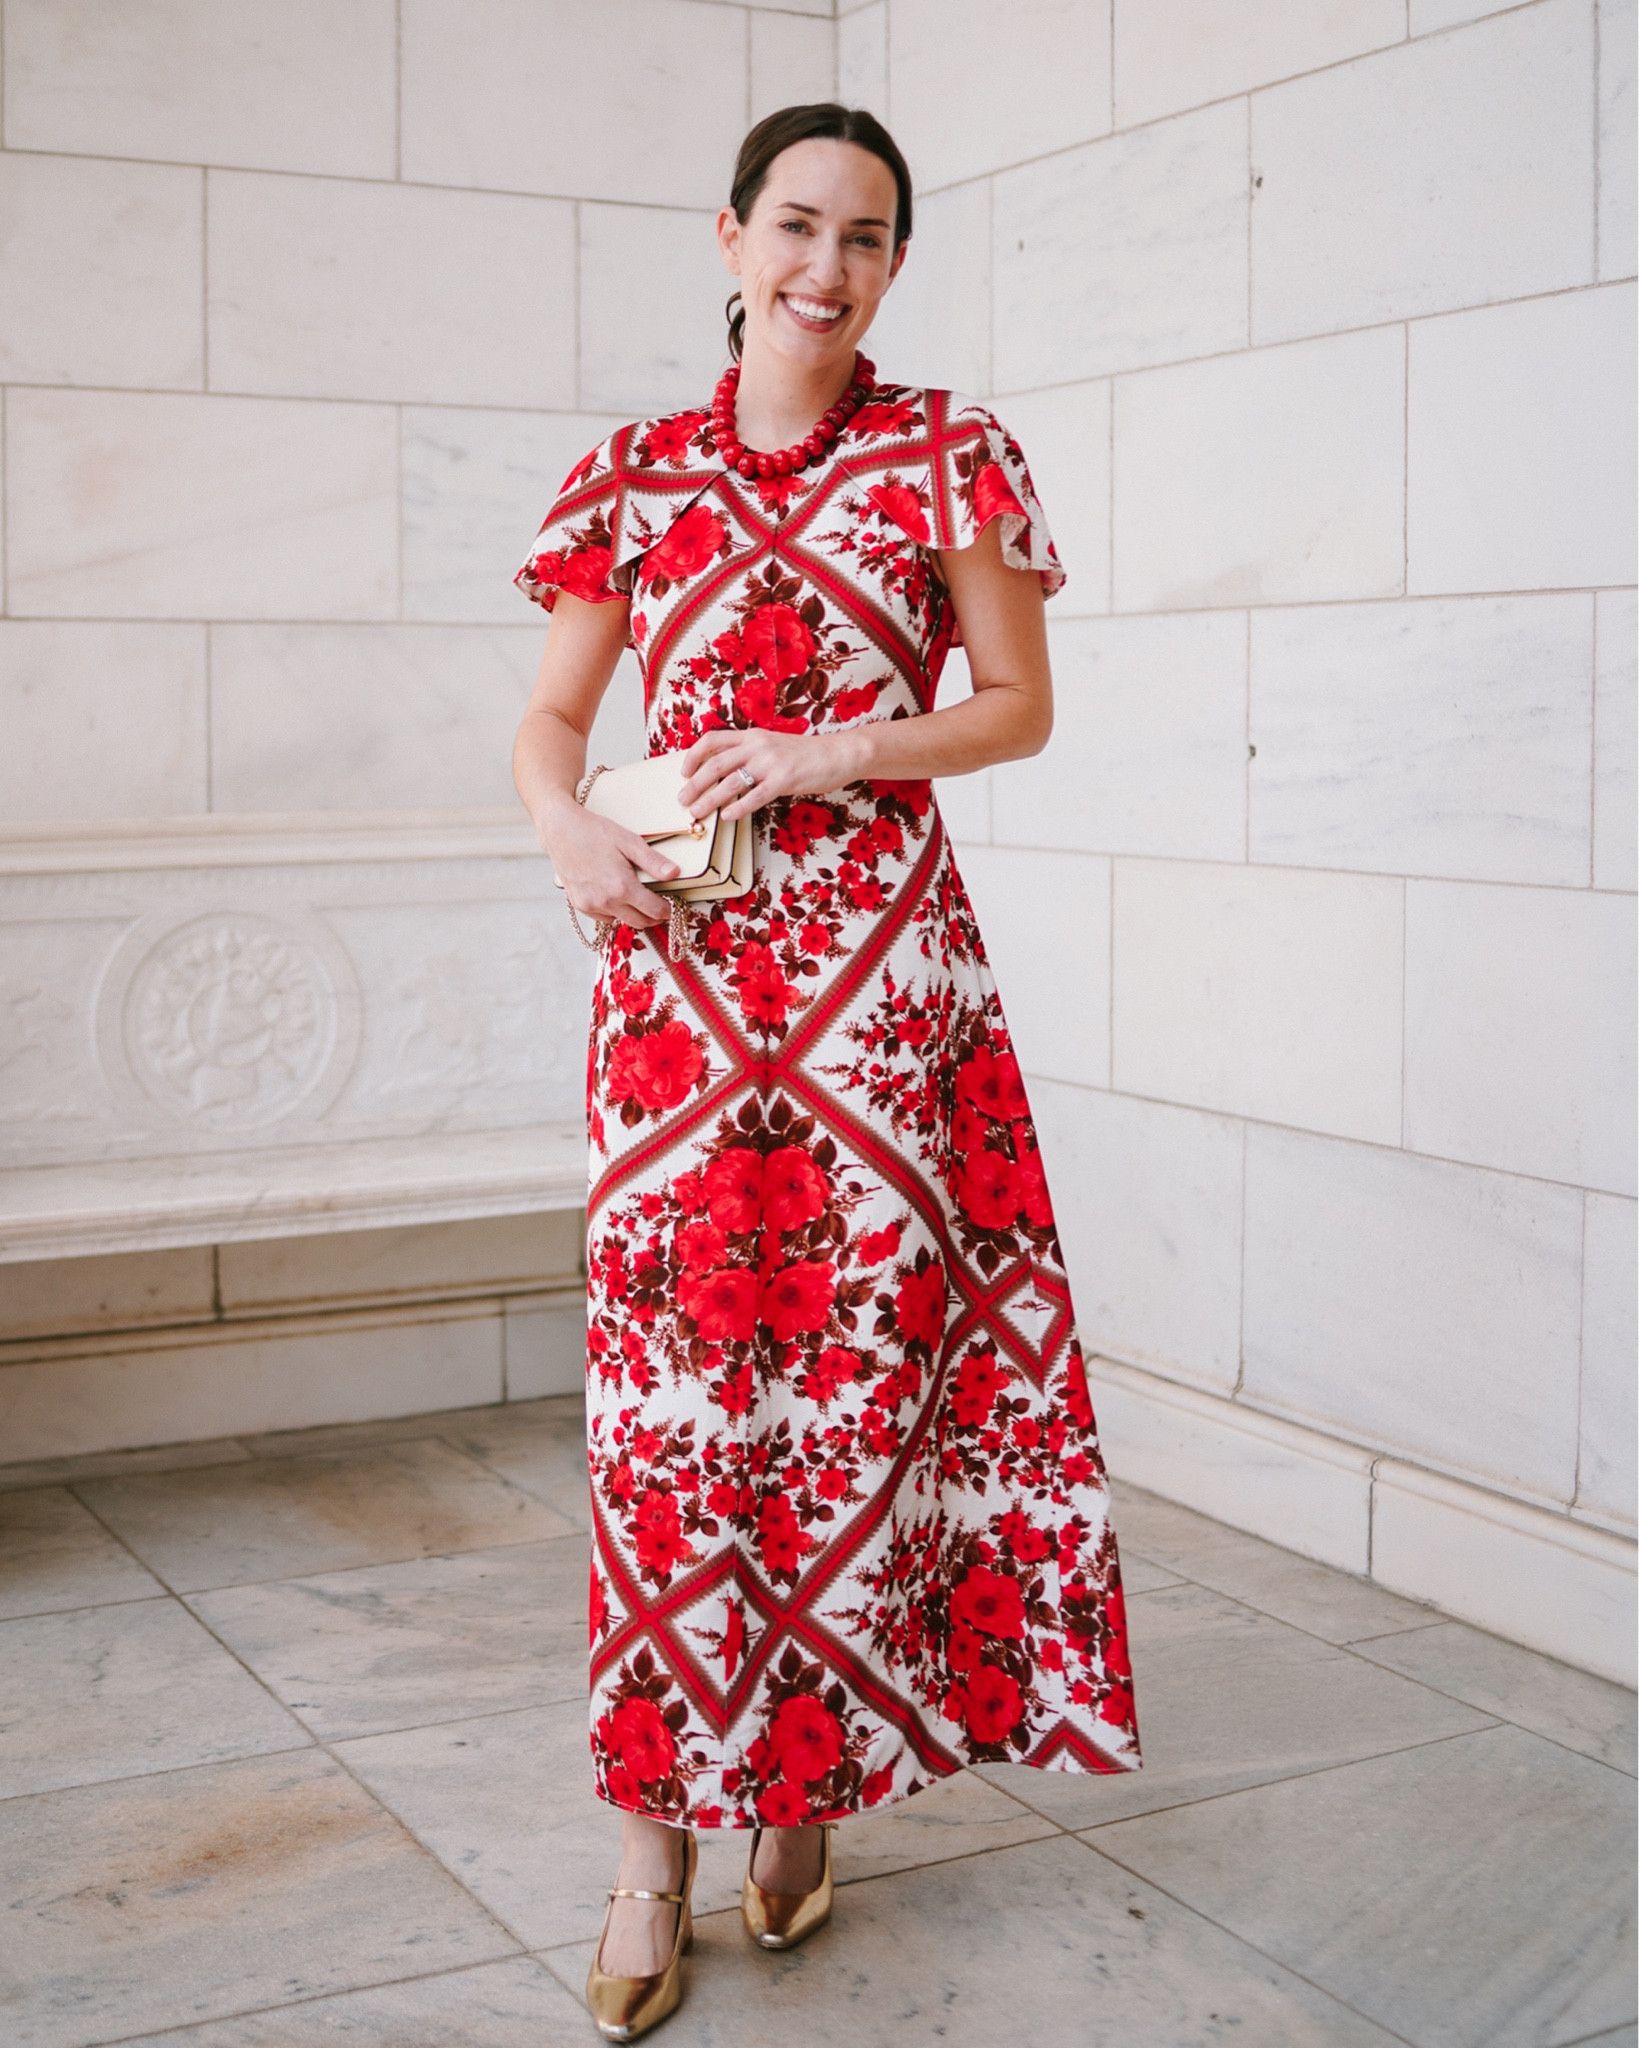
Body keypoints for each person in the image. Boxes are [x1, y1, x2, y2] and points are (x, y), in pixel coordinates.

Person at [511, 101, 1141, 2043]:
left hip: (880, 1000)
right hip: (684, 999)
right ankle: (648, 1852)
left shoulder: (946, 446)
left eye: (864, 239)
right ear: (726, 238)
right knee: (674, 1416)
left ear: (890, 264)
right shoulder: (631, 469)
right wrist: (566, 829)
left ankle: (800, 1792)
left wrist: (824, 752)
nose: (824, 266)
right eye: (794, 227)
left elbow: (1017, 706)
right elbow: (550, 713)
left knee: (848, 1396)